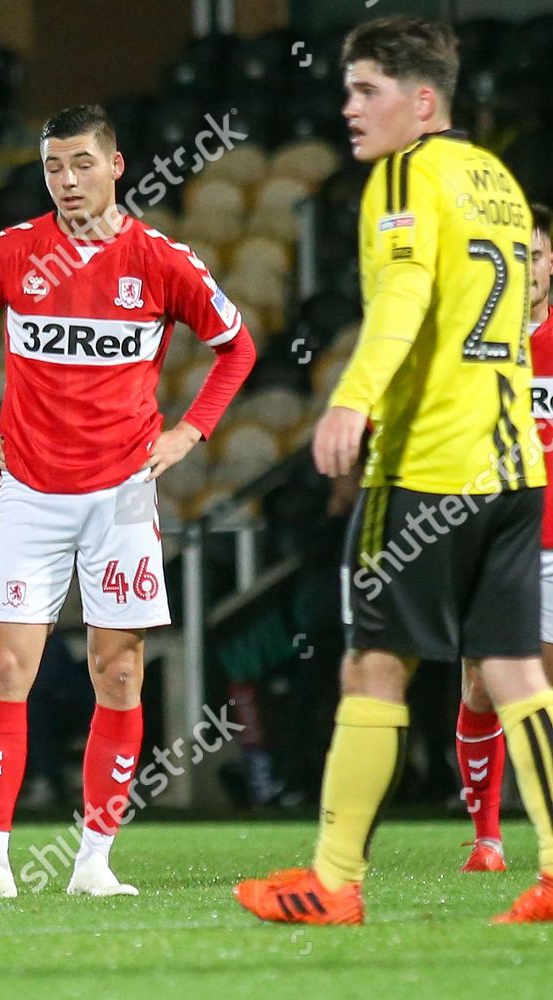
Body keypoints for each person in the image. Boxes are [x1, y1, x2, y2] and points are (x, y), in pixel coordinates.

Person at [236, 17, 553, 925]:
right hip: (514, 466)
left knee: (374, 666)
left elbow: (407, 299)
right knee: (517, 672)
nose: (348, 108)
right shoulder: (496, 177)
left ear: (422, 101)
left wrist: (351, 399)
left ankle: (333, 884)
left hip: (430, 466)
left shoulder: (405, 174)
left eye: (367, 89)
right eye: (347, 89)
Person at [0, 103, 256, 901]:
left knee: (118, 675)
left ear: (116, 165)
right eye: (52, 167)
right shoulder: (10, 253)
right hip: (30, 496)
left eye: (81, 164)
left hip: (121, 498)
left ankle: (94, 863)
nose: (67, 181)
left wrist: (188, 435)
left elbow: (236, 347)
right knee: (7, 668)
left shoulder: (161, 260)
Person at [453, 202, 553, 873]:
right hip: (490, 536)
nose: (528, 267)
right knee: (480, 686)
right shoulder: (472, 346)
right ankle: (486, 838)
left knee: (541, 684)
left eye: (537, 254)